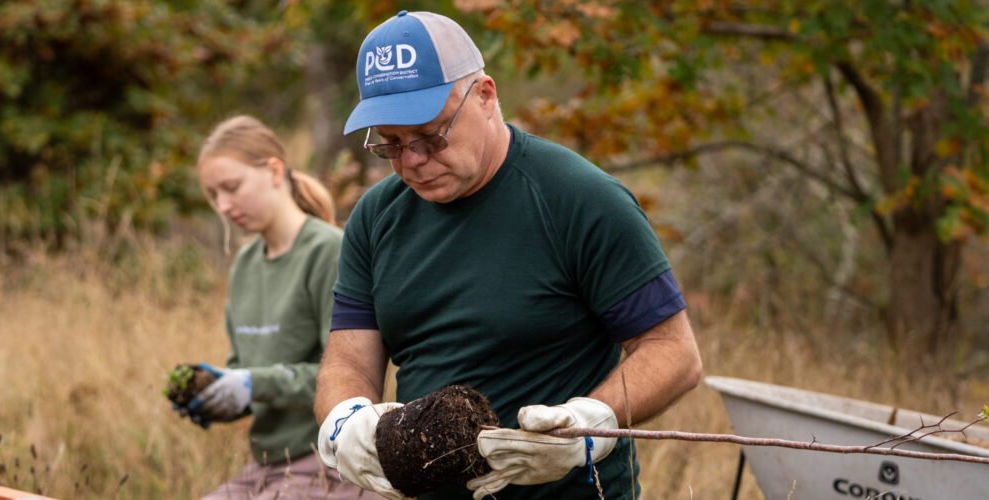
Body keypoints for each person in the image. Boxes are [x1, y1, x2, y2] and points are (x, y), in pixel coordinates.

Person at [313, 11, 704, 500]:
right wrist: (344, 419)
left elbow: (674, 352)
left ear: (485, 96)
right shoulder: (376, 216)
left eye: (432, 135)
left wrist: (590, 422)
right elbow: (350, 358)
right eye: (390, 145)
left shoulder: (579, 198)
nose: (412, 160)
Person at [177, 115, 373, 499]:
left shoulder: (329, 251)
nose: (223, 205)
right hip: (267, 466)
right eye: (213, 195)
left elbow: (347, 374)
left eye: (231, 188)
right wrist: (217, 395)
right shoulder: (245, 265)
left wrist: (253, 383)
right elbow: (244, 372)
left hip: (327, 465)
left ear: (273, 170)